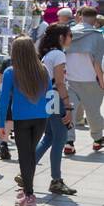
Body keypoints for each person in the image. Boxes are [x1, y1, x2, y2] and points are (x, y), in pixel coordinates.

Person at [0, 36, 52, 206]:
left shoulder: (11, 72)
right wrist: (49, 115)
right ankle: (27, 190)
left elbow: (3, 99)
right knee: (30, 156)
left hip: (22, 120)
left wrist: (1, 123)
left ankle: (29, 195)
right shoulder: (43, 69)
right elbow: (51, 94)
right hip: (41, 118)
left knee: (25, 156)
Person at [27, 24, 77, 195]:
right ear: (61, 37)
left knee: (49, 137)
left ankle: (25, 170)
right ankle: (56, 180)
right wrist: (68, 106)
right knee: (60, 139)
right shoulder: (58, 54)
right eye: (70, 35)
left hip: (48, 99)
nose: (72, 38)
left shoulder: (48, 54)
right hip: (56, 99)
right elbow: (60, 83)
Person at [62, 5, 104, 155]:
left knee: (70, 111)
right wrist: (102, 81)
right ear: (94, 20)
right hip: (91, 80)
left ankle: (69, 142)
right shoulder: (97, 36)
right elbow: (97, 63)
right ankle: (98, 139)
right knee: (93, 112)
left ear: (80, 16)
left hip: (70, 79)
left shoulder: (67, 33)